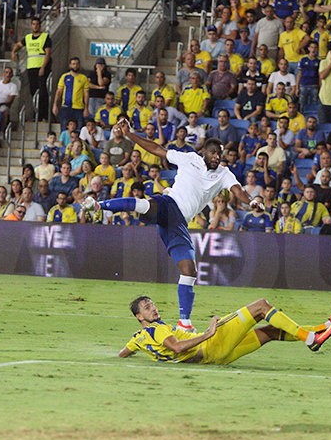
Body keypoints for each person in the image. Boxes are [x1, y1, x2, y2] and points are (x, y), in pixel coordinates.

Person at [84, 118, 261, 332]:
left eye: (220, 154)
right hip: (170, 203)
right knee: (146, 205)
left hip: (178, 223)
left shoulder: (223, 173)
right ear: (204, 151)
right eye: (214, 152)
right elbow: (157, 149)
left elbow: (238, 191)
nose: (217, 157)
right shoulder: (189, 159)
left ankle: (184, 323)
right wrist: (130, 134)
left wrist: (251, 201)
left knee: (189, 270)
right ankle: (99, 205)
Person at [119, 296, 331, 363]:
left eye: (153, 304)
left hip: (216, 358)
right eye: (147, 308)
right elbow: (176, 348)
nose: (153, 309)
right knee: (261, 306)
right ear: (139, 317)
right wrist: (208, 333)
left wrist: (119, 357)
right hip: (212, 343)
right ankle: (311, 339)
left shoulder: (137, 339)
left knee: (269, 332)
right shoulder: (157, 329)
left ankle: (328, 327)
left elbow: (124, 353)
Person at [11, 18, 51, 120]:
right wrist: (13, 52)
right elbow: (18, 45)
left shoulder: (45, 37)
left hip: (41, 68)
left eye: (37, 24)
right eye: (33, 24)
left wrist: (43, 68)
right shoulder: (28, 37)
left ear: (40, 25)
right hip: (31, 68)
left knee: (42, 92)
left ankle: (44, 115)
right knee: (33, 91)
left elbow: (47, 54)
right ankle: (36, 114)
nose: (35, 26)